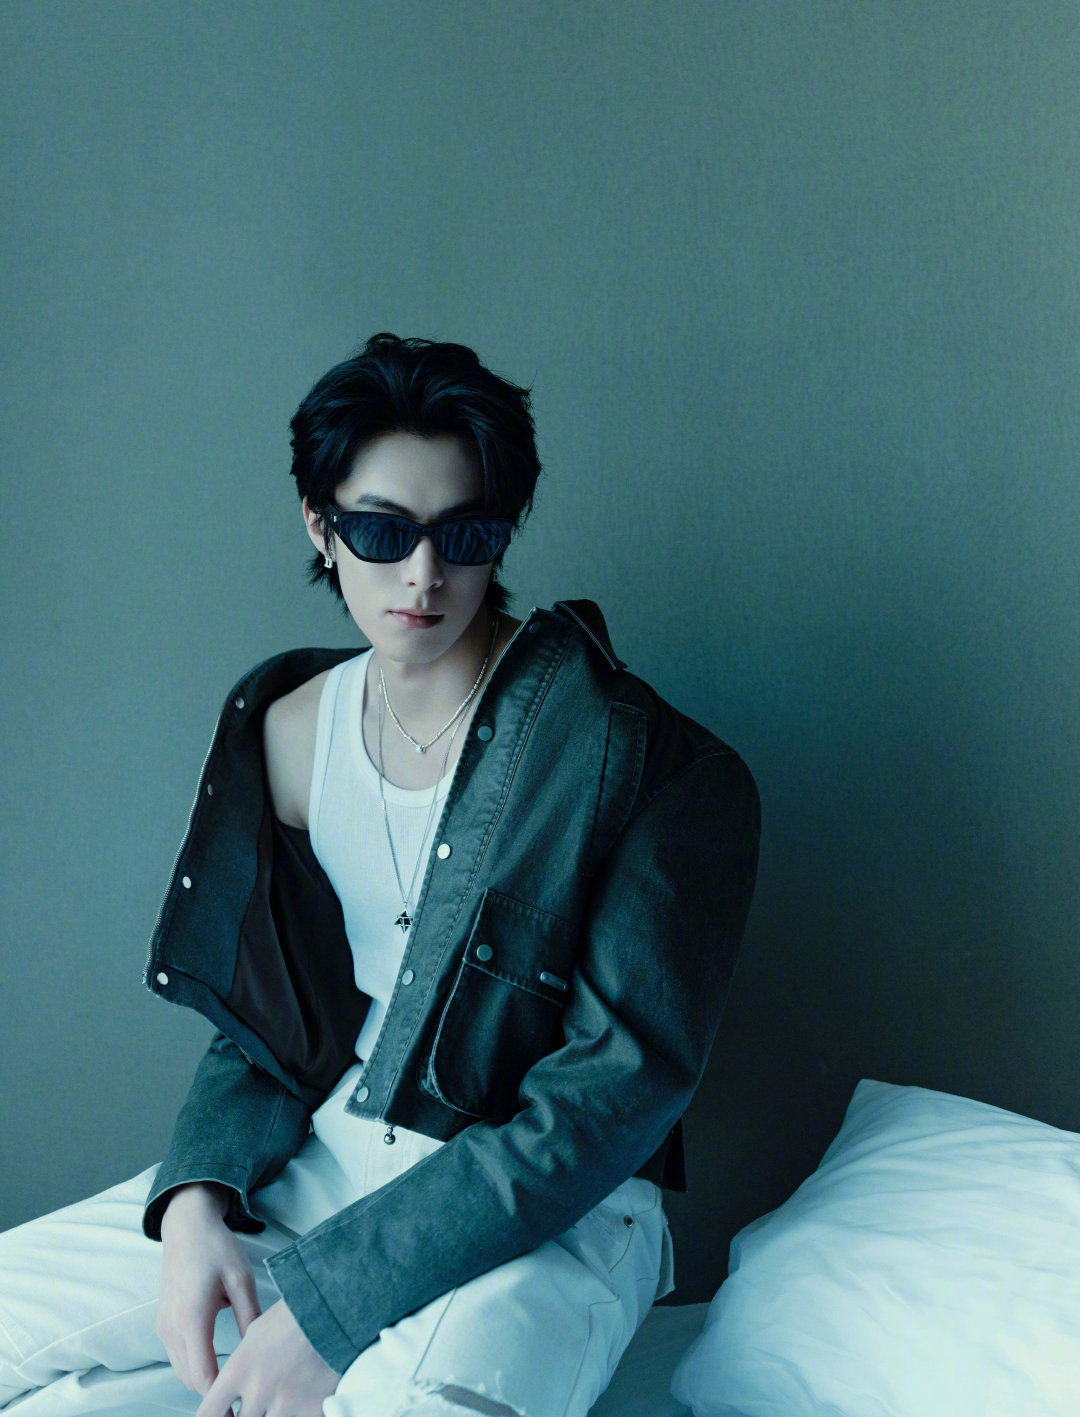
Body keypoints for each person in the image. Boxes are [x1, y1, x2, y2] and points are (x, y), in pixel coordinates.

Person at [0, 333, 760, 1417]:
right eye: (381, 530)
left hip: (547, 1221)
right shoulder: (289, 728)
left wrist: (334, 1305)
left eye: (466, 534)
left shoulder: (651, 766)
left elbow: (606, 1100)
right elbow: (273, 1026)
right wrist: (198, 1192)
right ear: (320, 524)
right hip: (323, 1163)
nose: (423, 574)